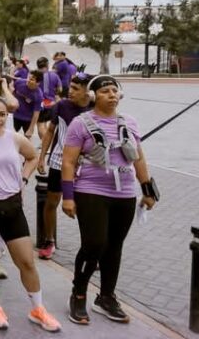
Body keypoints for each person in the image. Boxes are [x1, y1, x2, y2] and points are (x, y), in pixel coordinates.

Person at [61, 75, 158, 325]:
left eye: (115, 91)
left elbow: (138, 158)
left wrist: (148, 190)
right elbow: (69, 161)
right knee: (94, 243)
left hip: (124, 192)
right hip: (91, 190)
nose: (112, 95)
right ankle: (79, 293)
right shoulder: (80, 124)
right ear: (94, 96)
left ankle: (106, 297)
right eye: (105, 91)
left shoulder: (130, 123)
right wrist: (68, 197)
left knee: (114, 247)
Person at [0, 96, 61, 332]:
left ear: (7, 116)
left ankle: (38, 308)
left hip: (11, 205)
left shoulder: (15, 139)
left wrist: (24, 179)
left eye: (2, 114)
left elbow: (33, 156)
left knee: (26, 260)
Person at [36, 73, 92, 259]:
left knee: (86, 208)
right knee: (52, 202)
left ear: (88, 92)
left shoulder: (95, 109)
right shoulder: (61, 106)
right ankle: (49, 240)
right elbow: (50, 131)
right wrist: (42, 157)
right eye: (71, 87)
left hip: (86, 166)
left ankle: (90, 248)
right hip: (59, 162)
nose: (71, 91)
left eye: (76, 88)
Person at [12, 71, 44, 138]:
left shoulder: (38, 95)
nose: (28, 80)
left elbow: (36, 113)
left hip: (28, 119)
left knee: (27, 138)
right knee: (11, 137)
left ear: (38, 83)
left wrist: (31, 129)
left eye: (32, 79)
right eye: (28, 78)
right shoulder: (19, 82)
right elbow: (12, 91)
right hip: (16, 116)